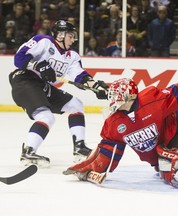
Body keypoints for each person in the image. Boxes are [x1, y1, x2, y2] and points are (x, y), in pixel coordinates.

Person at [62, 68, 178, 188]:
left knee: (172, 165)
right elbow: (108, 153)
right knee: (163, 168)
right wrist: (90, 168)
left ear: (131, 95)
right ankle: (173, 164)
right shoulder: (114, 123)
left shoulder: (152, 100)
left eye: (117, 95)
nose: (113, 99)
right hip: (158, 151)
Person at [9, 20, 109, 167]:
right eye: (70, 35)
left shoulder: (72, 56)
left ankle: (80, 149)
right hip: (24, 80)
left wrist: (95, 87)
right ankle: (28, 152)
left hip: (42, 86)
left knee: (75, 104)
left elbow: (80, 76)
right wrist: (38, 65)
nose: (73, 39)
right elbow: (19, 58)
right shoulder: (43, 41)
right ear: (60, 35)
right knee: (45, 116)